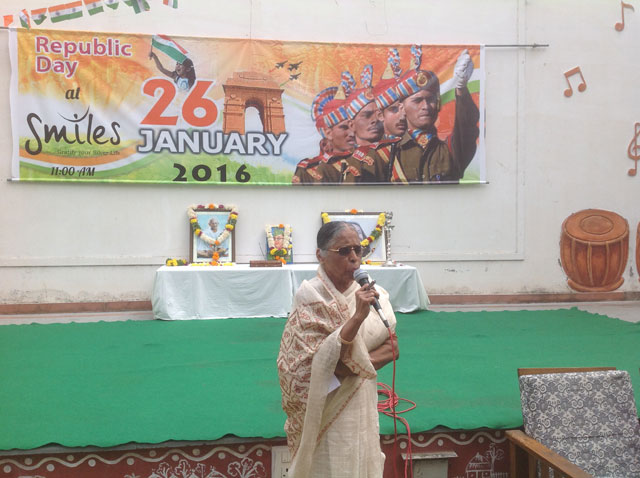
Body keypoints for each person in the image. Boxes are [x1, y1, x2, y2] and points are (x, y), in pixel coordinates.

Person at [277, 221, 399, 477]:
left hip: (361, 399)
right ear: (319, 255)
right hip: (326, 406)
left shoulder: (376, 296)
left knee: (361, 455)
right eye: (343, 251)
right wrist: (356, 319)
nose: (354, 258)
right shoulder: (310, 297)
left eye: (358, 249)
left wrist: (349, 363)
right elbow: (314, 366)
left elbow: (392, 349)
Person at [391, 46, 479, 183]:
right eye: (417, 100)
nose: (425, 106)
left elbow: (466, 128)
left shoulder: (449, 150)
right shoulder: (388, 153)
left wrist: (461, 88)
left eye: (430, 100)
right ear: (401, 108)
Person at [343, 49, 407, 184]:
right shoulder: (348, 159)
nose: (374, 120)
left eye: (376, 114)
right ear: (351, 125)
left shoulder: (395, 149)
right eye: (366, 115)